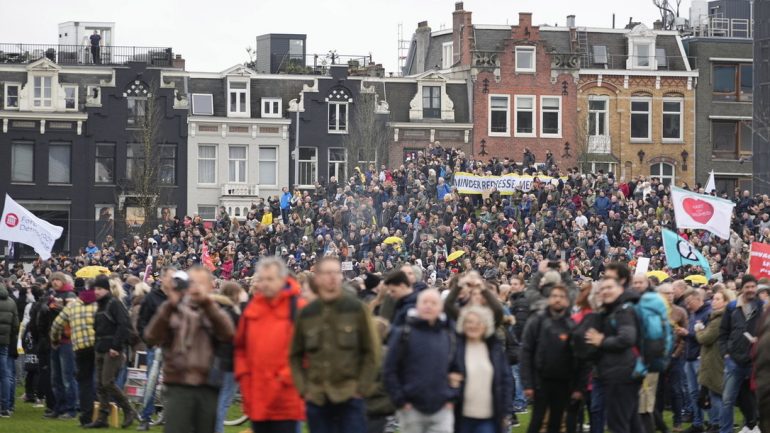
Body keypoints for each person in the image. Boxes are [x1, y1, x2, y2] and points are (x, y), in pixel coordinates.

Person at [289, 257, 380, 433]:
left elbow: (371, 351)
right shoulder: (307, 313)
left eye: (336, 272)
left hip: (350, 396)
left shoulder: (356, 309)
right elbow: (295, 354)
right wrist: (303, 389)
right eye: (327, 273)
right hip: (317, 398)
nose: (332, 277)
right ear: (318, 278)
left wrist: (362, 387)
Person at [144, 267, 235, 433]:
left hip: (208, 385)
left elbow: (228, 334)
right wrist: (170, 305)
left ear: (210, 286)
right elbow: (150, 337)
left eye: (201, 283)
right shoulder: (172, 309)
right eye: (192, 282)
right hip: (178, 384)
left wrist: (207, 303)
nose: (195, 287)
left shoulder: (215, 310)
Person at [235, 257, 305, 433]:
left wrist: (284, 378)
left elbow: (309, 351)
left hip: (285, 399)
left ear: (282, 279)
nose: (265, 284)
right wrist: (244, 377)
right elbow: (240, 349)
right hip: (257, 397)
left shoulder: (299, 308)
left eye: (270, 279)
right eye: (262, 279)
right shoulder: (252, 308)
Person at [383, 289, 456, 433]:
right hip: (411, 409)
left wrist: (452, 397)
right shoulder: (403, 334)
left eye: (433, 303)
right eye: (425, 302)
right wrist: (400, 401)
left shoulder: (448, 336)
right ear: (417, 305)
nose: (428, 306)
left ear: (440, 307)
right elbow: (389, 370)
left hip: (442, 408)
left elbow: (458, 369)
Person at [520, 284, 586, 433]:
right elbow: (526, 352)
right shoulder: (537, 321)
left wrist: (578, 387)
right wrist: (528, 383)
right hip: (540, 381)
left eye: (561, 297)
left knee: (556, 423)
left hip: (564, 383)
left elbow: (582, 357)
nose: (558, 300)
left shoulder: (571, 325)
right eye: (554, 296)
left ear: (567, 301)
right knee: (536, 422)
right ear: (549, 299)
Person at [586, 277, 641, 433]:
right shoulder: (604, 314)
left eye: (610, 287)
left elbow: (627, 338)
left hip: (622, 374)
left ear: (620, 289)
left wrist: (601, 340)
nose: (605, 291)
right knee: (626, 421)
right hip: (607, 373)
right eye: (602, 289)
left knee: (620, 422)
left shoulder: (623, 310)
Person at [84, 275, 137, 429]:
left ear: (107, 289)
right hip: (100, 348)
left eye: (99, 289)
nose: (97, 292)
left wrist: (116, 346)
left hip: (111, 350)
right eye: (95, 289)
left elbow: (124, 325)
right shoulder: (100, 305)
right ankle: (102, 418)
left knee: (108, 382)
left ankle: (128, 410)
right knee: (100, 385)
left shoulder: (114, 304)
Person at [451, 305, 512, 433]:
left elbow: (505, 381)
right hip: (461, 417)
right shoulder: (454, 348)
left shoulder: (494, 349)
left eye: (479, 322)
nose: (474, 326)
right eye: (469, 322)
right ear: (462, 324)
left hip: (489, 417)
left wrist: (505, 411)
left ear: (486, 325)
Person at [49, 280, 97, 427]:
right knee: (89, 381)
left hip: (76, 345)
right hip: (96, 345)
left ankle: (77, 411)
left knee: (77, 380)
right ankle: (89, 412)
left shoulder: (73, 304)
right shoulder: (99, 305)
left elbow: (57, 324)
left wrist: (55, 340)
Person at [718, 274, 762, 433]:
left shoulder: (763, 307)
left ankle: (750, 427)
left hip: (754, 362)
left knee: (752, 400)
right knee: (727, 400)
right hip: (734, 362)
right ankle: (726, 430)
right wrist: (725, 354)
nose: (750, 290)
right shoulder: (732, 308)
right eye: (747, 287)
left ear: (756, 288)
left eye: (752, 287)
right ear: (741, 288)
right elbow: (723, 332)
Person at [136, 266, 173, 431]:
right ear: (162, 278)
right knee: (150, 383)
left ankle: (173, 417)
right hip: (156, 348)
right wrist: (150, 340)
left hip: (175, 349)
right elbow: (141, 323)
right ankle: (145, 418)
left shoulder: (179, 298)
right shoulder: (151, 297)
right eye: (170, 278)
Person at [696, 289, 733, 433]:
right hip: (713, 359)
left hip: (715, 361)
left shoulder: (719, 319)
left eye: (718, 299)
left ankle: (720, 425)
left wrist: (699, 330)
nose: (713, 301)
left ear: (725, 301)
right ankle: (718, 424)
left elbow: (705, 338)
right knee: (715, 395)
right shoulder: (716, 317)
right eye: (714, 298)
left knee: (717, 395)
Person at [680, 289, 711, 433]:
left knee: (704, 393)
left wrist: (688, 333)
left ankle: (712, 423)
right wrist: (684, 334)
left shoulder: (707, 313)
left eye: (689, 302)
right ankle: (698, 423)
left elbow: (705, 336)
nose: (687, 305)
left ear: (697, 299)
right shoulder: (693, 314)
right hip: (689, 357)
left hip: (700, 358)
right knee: (693, 393)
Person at [0, 282, 20, 418]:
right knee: (5, 375)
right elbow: (16, 325)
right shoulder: (11, 302)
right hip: (5, 342)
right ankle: (5, 407)